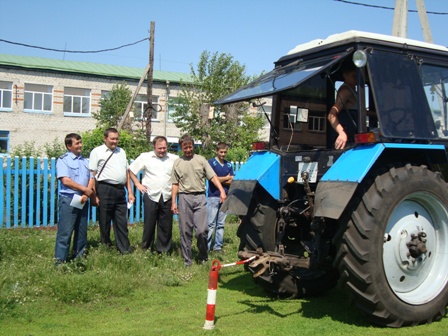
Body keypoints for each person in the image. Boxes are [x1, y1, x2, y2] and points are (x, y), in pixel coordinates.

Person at [171, 134, 227, 266]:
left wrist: (222, 191)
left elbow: (213, 177)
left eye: (190, 147)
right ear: (181, 148)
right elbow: (175, 184)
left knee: (202, 230)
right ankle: (187, 261)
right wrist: (174, 202)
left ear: (193, 146)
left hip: (200, 197)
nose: (188, 150)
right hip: (184, 197)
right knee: (185, 231)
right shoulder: (178, 163)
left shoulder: (201, 160)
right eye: (185, 148)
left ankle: (203, 256)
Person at [129, 136, 178, 253]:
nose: (162, 150)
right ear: (154, 147)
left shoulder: (174, 159)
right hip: (151, 194)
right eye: (159, 148)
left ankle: (164, 250)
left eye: (164, 148)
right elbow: (131, 171)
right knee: (149, 224)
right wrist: (138, 184)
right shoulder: (145, 157)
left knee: (166, 225)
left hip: (167, 194)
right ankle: (147, 248)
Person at [89, 128, 135, 254]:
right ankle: (105, 246)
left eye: (116, 138)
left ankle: (124, 249)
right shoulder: (97, 152)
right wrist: (94, 195)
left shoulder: (121, 152)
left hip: (120, 190)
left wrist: (130, 192)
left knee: (121, 221)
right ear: (105, 138)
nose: (115, 141)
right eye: (112, 139)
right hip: (104, 189)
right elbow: (92, 175)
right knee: (105, 220)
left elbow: (126, 174)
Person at [54, 133, 94, 264]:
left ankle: (78, 259)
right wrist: (85, 190)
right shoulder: (63, 160)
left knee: (81, 231)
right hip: (69, 199)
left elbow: (91, 178)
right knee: (65, 232)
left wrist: (86, 194)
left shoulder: (84, 161)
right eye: (77, 143)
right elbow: (66, 180)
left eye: (80, 142)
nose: (80, 145)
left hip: (82, 198)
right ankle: (60, 261)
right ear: (69, 146)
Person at [207, 142, 234, 253]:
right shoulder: (211, 163)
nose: (223, 154)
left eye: (225, 152)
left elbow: (232, 180)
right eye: (221, 152)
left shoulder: (229, 165)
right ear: (217, 151)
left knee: (221, 224)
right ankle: (206, 247)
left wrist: (219, 179)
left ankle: (218, 246)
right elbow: (212, 179)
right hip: (213, 196)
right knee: (210, 223)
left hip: (225, 197)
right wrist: (225, 178)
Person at [327, 60, 358, 150]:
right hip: (348, 138)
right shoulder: (345, 91)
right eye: (354, 76)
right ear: (345, 75)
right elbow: (331, 115)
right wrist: (342, 133)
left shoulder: (353, 91)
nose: (356, 80)